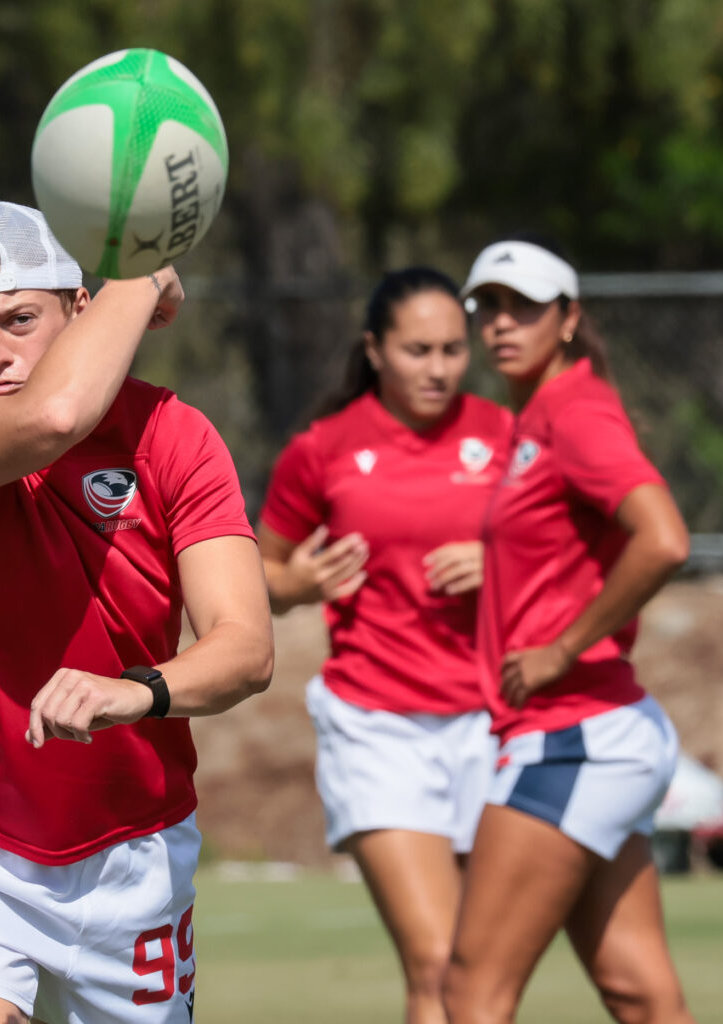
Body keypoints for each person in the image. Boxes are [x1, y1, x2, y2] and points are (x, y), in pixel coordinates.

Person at [0, 201, 273, 1024]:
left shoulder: (174, 434)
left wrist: (136, 690)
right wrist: (149, 268)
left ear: (80, 310)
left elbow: (245, 649)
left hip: (136, 859)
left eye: (19, 320)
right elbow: (51, 420)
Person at [443, 235, 696, 1024]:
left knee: (470, 993)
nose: (501, 323)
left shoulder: (576, 412)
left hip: (572, 734)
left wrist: (562, 646)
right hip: (593, 733)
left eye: (524, 307)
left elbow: (664, 538)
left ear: (570, 317)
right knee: (638, 993)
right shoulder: (539, 417)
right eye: (488, 306)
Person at [257, 267, 509, 1024]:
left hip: (497, 726)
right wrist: (297, 583)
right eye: (418, 350)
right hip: (378, 727)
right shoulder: (324, 449)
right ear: (374, 350)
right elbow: (258, 576)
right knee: (437, 963)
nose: (439, 369)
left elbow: (577, 560)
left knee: (482, 972)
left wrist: (505, 565)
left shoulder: (508, 436)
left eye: (455, 351)